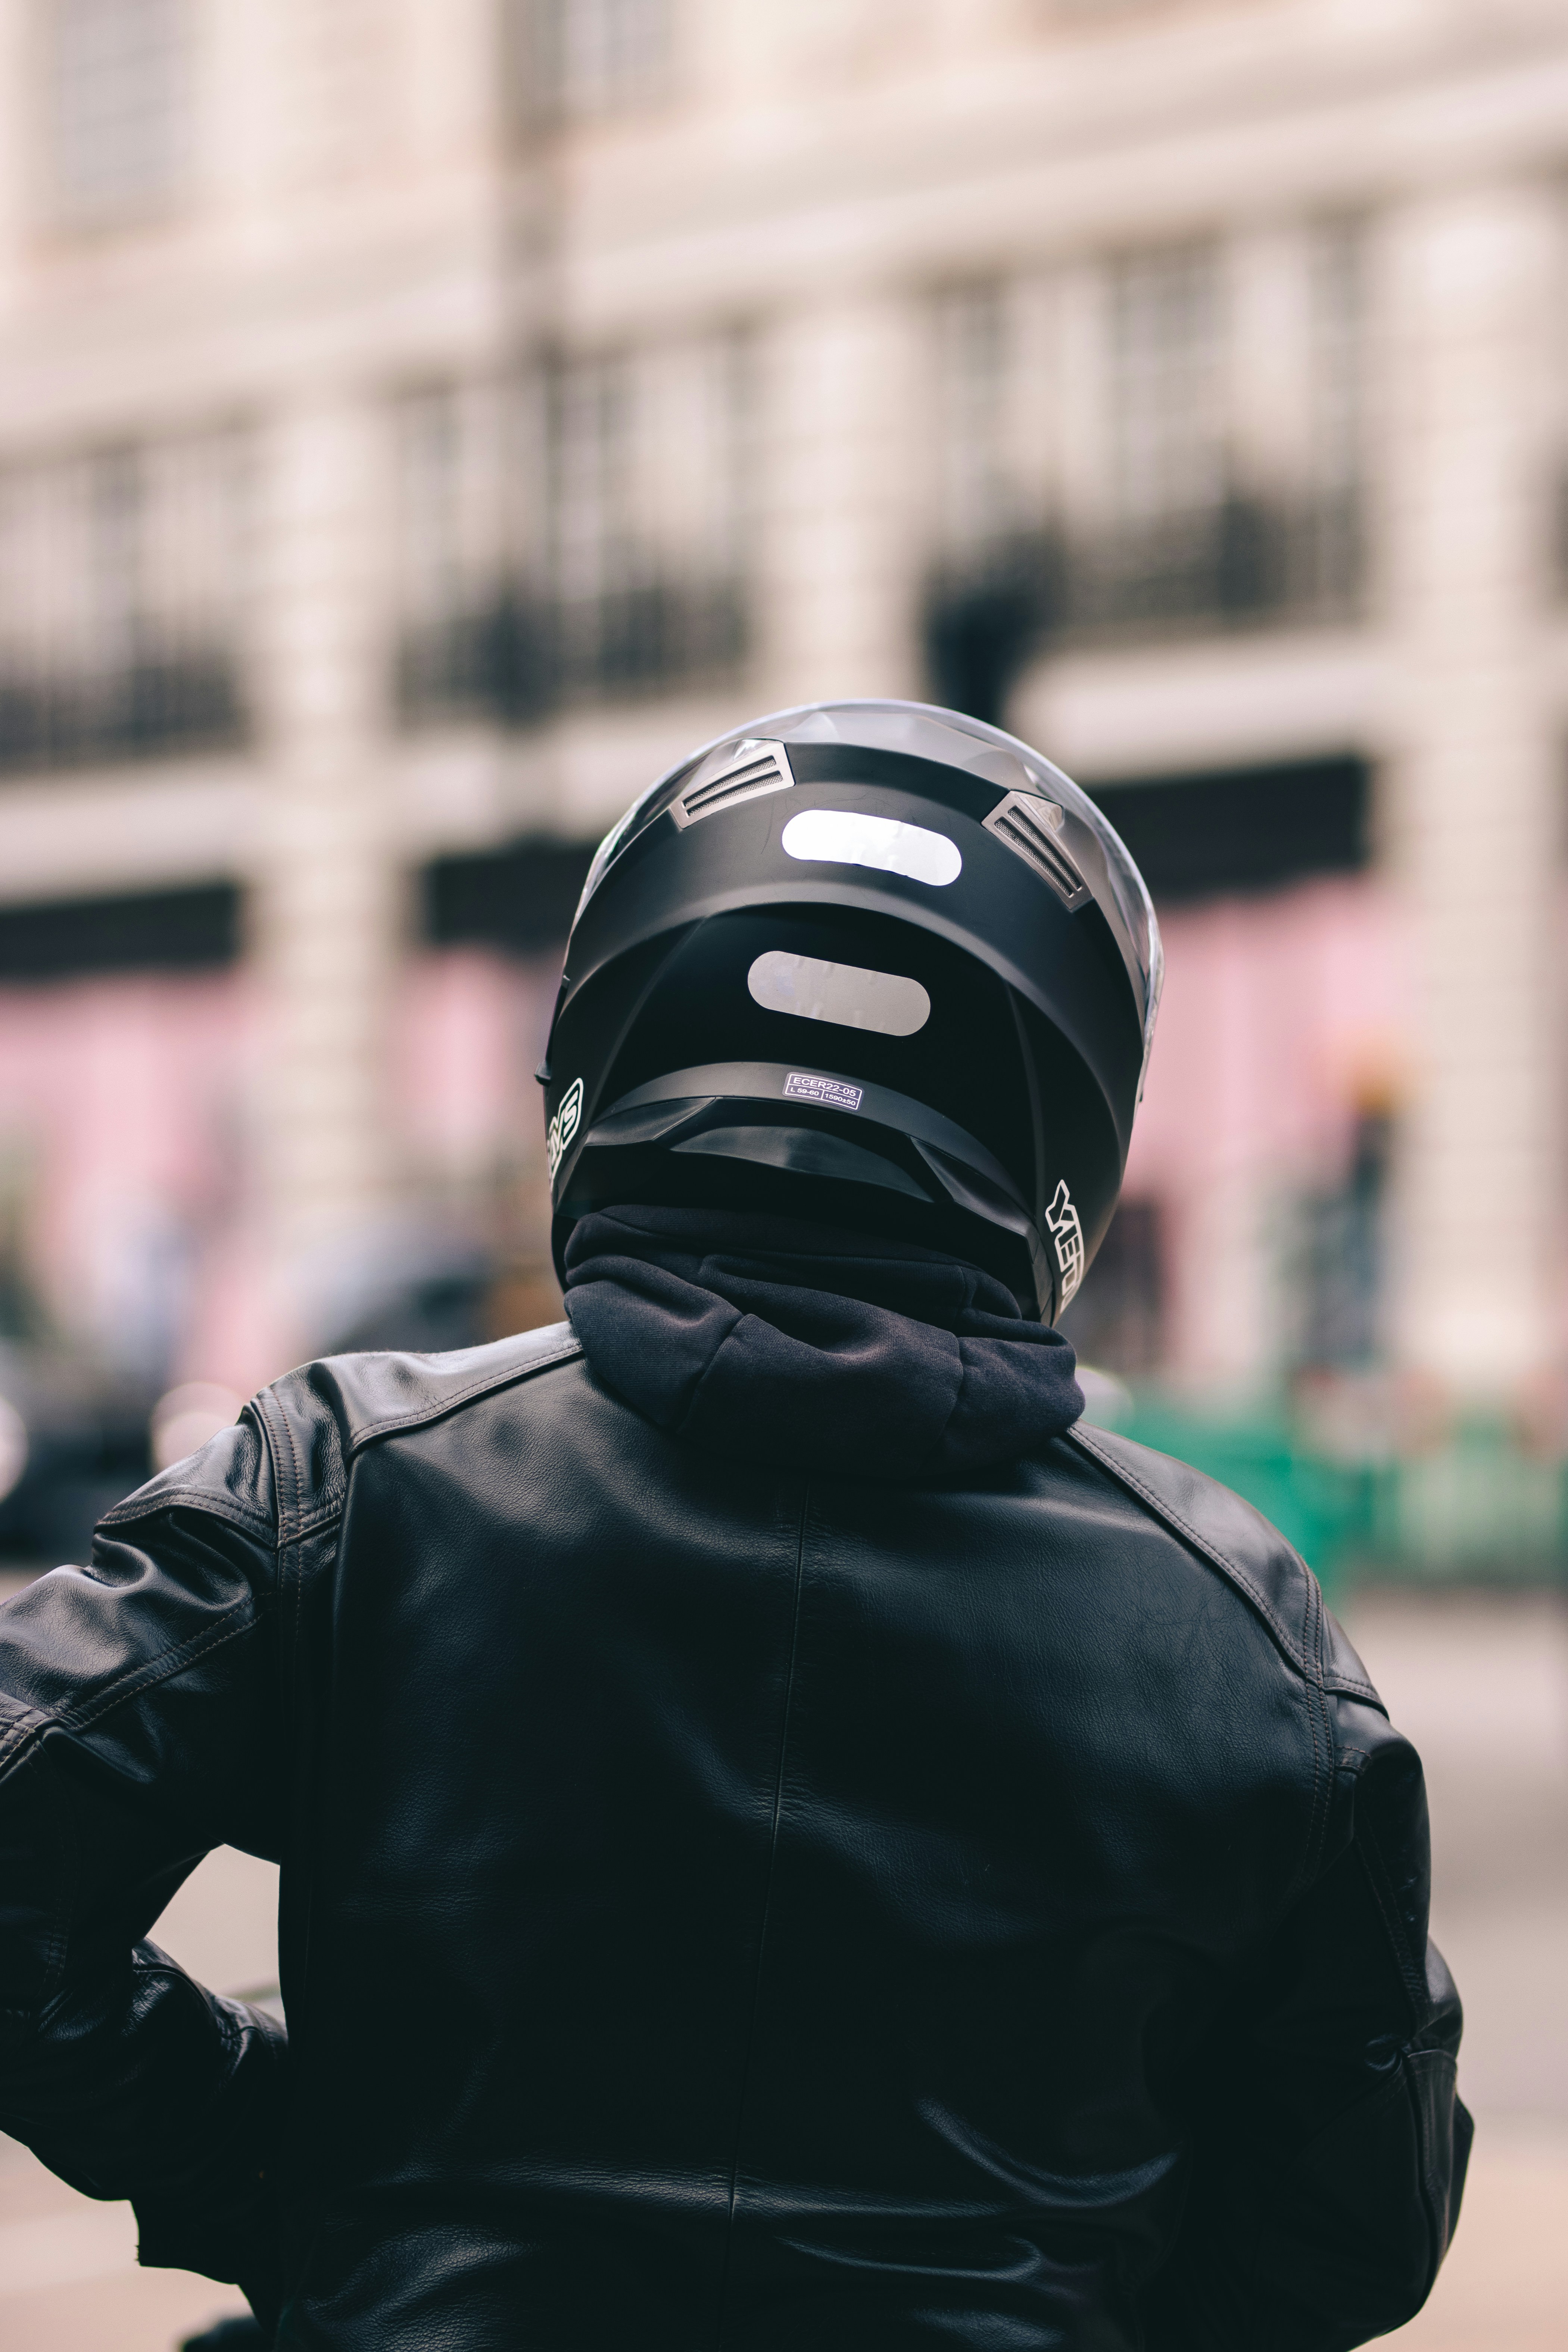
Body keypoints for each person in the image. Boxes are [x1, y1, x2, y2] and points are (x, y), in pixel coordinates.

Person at [0, 701, 1467, 2349]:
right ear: (1064, 1129)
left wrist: (265, 2151)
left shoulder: (349, 1479)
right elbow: (1356, 2225)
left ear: (606, 1046)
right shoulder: (1244, 1637)